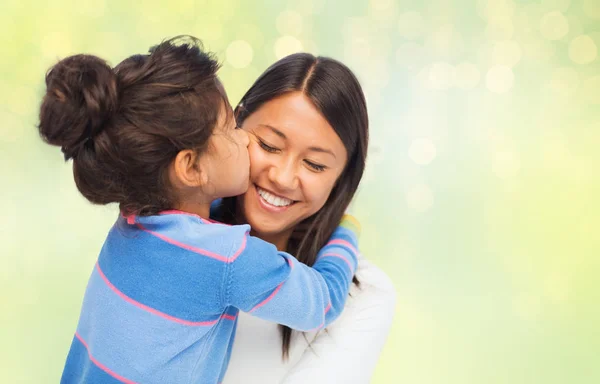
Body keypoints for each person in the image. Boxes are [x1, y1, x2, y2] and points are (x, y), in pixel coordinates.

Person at [38, 36, 360, 384]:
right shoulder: (229, 256)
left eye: (314, 164)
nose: (244, 139)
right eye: (233, 129)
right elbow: (322, 302)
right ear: (191, 168)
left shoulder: (131, 220)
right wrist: (346, 231)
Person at [213, 53, 396, 383]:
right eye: (269, 145)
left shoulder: (363, 295)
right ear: (234, 125)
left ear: (343, 176)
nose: (283, 178)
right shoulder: (171, 234)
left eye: (314, 165)